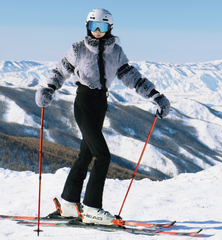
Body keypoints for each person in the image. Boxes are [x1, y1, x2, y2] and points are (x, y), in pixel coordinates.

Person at [35, 8, 170, 225]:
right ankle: (91, 208)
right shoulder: (78, 49)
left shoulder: (116, 52)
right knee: (103, 155)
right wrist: (48, 89)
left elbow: (133, 78)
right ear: (87, 27)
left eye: (103, 27)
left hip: (101, 104)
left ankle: (69, 204)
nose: (97, 31)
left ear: (110, 28)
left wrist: (155, 96)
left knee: (86, 155)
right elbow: (60, 71)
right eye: (93, 26)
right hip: (84, 102)